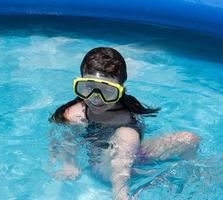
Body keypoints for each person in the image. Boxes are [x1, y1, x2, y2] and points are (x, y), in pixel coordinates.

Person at [49, 47, 200, 200]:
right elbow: (63, 137)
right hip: (103, 167)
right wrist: (69, 164)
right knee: (126, 136)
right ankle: (123, 192)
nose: (96, 99)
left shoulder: (127, 119)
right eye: (89, 88)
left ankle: (194, 178)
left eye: (107, 91)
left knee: (189, 139)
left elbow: (126, 156)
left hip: (132, 159)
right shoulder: (76, 114)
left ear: (121, 91)